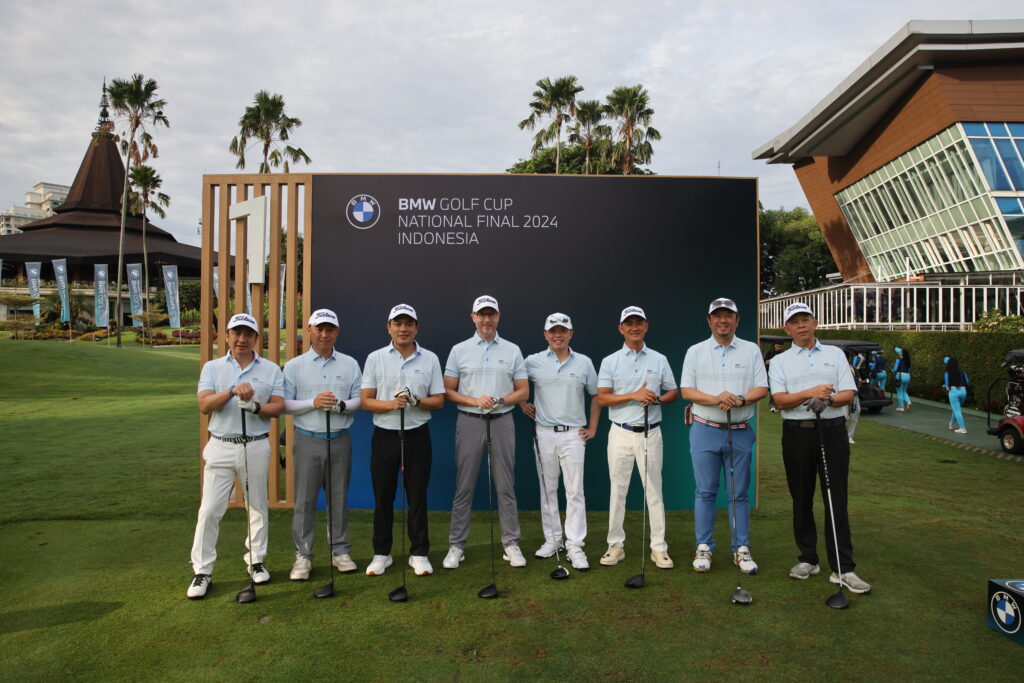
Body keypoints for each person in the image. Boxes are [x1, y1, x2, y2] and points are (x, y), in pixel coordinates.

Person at [769, 302, 871, 595]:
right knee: (801, 497)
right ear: (787, 328)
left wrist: (827, 400)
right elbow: (780, 400)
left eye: (805, 319)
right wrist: (810, 393)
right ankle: (808, 558)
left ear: (815, 323)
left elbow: (848, 393)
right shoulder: (780, 361)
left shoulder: (835, 354)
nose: (801, 325)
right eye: (794, 322)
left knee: (835, 498)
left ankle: (843, 567)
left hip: (832, 431)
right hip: (797, 433)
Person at [187, 313, 285, 599]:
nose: (242, 339)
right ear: (227, 336)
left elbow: (278, 407)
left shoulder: (270, 369)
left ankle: (256, 560)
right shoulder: (212, 368)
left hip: (255, 444)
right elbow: (204, 405)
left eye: (248, 334)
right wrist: (231, 392)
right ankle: (202, 570)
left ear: (256, 338)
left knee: (257, 506)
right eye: (236, 333)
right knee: (210, 509)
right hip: (221, 445)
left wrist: (255, 407)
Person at [680, 298, 768, 574]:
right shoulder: (695, 351)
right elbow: (687, 391)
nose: (723, 320)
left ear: (737, 320)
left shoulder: (751, 350)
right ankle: (704, 546)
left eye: (728, 315)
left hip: (739, 430)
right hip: (704, 429)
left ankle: (741, 549)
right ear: (709, 321)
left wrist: (739, 399)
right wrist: (717, 398)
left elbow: (762, 388)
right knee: (705, 491)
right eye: (717, 316)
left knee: (738, 493)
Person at [442, 295, 530, 569]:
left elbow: (523, 391)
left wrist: (500, 400)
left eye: (491, 314)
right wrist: (474, 400)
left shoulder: (512, 350)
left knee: (505, 485)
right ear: (474, 317)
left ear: (498, 317)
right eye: (482, 314)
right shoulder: (459, 350)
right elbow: (447, 391)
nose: (487, 319)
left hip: (502, 420)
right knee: (464, 485)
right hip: (470, 420)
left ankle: (511, 543)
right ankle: (457, 545)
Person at [361, 304, 446, 576]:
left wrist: (416, 400)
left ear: (416, 328)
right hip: (385, 436)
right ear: (389, 327)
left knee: (417, 496)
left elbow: (439, 401)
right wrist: (390, 404)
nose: (403, 329)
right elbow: (366, 401)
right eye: (397, 323)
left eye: (409, 323)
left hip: (417, 435)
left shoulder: (430, 359)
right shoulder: (375, 358)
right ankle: (381, 553)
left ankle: (419, 553)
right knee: (383, 496)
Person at [282, 309, 363, 581]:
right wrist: (313, 403)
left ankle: (339, 551)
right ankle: (303, 555)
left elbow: (359, 400)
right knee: (305, 500)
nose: (324, 334)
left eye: (330, 329)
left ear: (337, 332)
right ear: (309, 330)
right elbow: (285, 404)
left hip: (339, 439)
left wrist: (341, 406)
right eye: (319, 329)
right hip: (308, 439)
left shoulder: (350, 364)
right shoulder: (294, 365)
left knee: (338, 499)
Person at [597, 306, 679, 569]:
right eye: (629, 323)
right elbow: (603, 398)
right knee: (617, 490)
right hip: (620, 432)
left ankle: (659, 548)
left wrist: (657, 400)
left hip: (650, 432)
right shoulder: (610, 361)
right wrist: (634, 395)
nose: (634, 327)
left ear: (646, 327)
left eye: (638, 322)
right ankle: (615, 545)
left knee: (654, 491)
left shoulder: (659, 359)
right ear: (621, 328)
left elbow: (673, 392)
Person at [522, 312, 601, 571]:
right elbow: (516, 383)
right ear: (546, 335)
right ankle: (553, 539)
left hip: (573, 434)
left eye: (563, 331)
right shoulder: (532, 361)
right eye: (553, 331)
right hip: (543, 432)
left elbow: (596, 395)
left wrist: (592, 427)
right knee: (548, 489)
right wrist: (522, 403)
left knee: (575, 490)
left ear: (570, 334)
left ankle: (575, 544)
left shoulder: (584, 363)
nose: (558, 335)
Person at [943, 356, 970, 434]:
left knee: (957, 410)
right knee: (956, 409)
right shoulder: (963, 372)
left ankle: (962, 428)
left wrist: (945, 386)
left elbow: (947, 385)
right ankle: (951, 424)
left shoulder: (947, 373)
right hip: (963, 392)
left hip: (953, 392)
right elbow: (967, 382)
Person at [764, 341, 785, 412]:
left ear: (782, 347)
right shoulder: (770, 353)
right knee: (773, 391)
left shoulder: (784, 354)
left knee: (783, 391)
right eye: (777, 346)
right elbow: (766, 362)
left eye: (779, 347)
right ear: (774, 346)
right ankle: (772, 406)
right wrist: (774, 360)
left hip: (782, 374)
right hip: (772, 374)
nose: (778, 348)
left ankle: (781, 405)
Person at [893, 347, 912, 411]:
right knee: (904, 391)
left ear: (901, 354)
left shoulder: (898, 360)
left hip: (900, 376)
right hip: (908, 376)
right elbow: (909, 370)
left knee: (899, 392)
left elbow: (895, 369)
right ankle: (908, 402)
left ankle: (901, 407)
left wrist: (893, 370)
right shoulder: (908, 361)